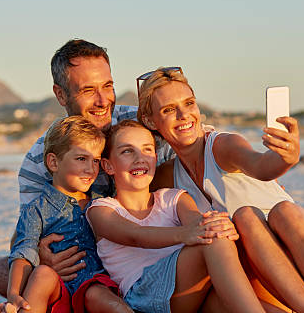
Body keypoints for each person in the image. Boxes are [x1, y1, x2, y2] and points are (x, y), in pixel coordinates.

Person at [137, 67, 304, 313]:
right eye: (169, 109)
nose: (184, 115)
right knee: (225, 248)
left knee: (266, 214)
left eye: (189, 103)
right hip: (268, 288)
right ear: (151, 121)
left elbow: (261, 165)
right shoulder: (165, 176)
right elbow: (131, 209)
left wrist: (286, 158)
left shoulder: (222, 145)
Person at [0, 40, 173, 313]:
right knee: (1, 271)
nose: (103, 101)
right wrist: (43, 258)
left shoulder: (137, 127)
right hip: (80, 264)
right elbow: (24, 231)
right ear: (61, 95)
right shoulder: (38, 159)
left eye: (107, 86)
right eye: (88, 90)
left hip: (146, 247)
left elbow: (192, 146)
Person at [87, 120, 266, 313]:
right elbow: (136, 235)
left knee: (215, 235)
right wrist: (186, 234)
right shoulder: (101, 209)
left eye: (147, 149)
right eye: (127, 151)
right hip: (143, 295)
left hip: (188, 293)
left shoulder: (172, 198)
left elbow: (198, 223)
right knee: (211, 239)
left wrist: (221, 226)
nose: (139, 158)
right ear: (108, 166)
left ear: (155, 158)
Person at [6, 116, 117, 313]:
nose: (91, 169)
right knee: (42, 274)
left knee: (98, 292)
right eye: (81, 158)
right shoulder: (36, 210)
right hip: (58, 292)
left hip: (95, 286)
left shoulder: (102, 203)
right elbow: (24, 252)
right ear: (53, 162)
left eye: (96, 160)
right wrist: (14, 294)